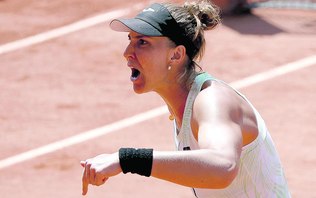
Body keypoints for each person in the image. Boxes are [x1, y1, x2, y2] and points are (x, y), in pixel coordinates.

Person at [80, 1, 291, 197]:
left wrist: (128, 160)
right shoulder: (184, 107)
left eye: (142, 42)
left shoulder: (212, 100)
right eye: (130, 40)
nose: (127, 52)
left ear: (176, 55)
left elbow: (223, 166)